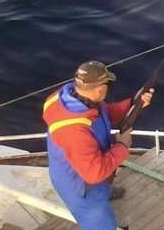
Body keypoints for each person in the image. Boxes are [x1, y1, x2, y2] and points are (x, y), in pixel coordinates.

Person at [42, 60, 154, 230]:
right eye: (107, 83)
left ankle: (106, 192)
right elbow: (94, 174)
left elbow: (105, 114)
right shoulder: (74, 132)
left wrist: (132, 104)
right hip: (80, 188)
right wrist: (122, 146)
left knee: (103, 185)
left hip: (87, 168)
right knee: (102, 225)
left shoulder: (76, 97)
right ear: (100, 89)